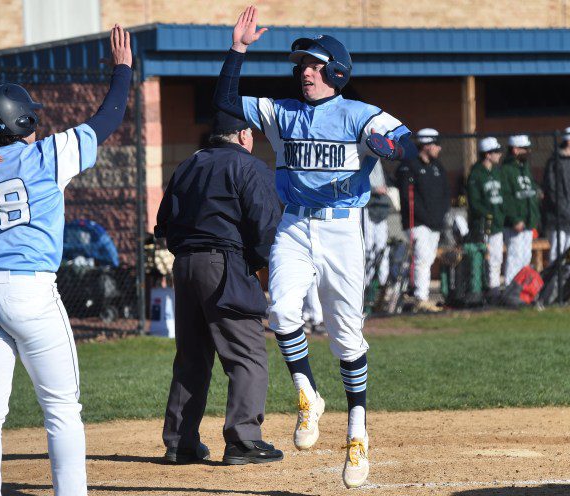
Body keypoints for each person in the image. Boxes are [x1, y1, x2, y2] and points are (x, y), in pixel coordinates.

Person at [213, 6, 416, 488]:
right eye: (300, 64)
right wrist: (238, 48)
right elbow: (225, 101)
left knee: (347, 338)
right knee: (281, 313)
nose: (304, 71)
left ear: (336, 71)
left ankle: (357, 431)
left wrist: (387, 147)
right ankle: (307, 393)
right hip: (294, 226)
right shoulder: (282, 112)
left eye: (314, 64)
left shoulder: (357, 113)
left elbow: (403, 137)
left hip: (343, 230)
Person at [0, 25, 132, 495]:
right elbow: (108, 118)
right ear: (21, 123)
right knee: (61, 408)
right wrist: (122, 70)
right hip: (30, 291)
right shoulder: (48, 155)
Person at [154, 110, 283, 466]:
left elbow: (163, 223)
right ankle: (243, 439)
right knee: (246, 353)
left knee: (192, 357)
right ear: (243, 135)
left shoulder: (188, 165)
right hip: (225, 264)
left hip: (185, 264)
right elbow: (265, 228)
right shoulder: (249, 167)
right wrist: (264, 273)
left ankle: (180, 442)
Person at [396, 128, 450, 313]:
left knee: (429, 258)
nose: (438, 148)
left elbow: (445, 194)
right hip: (417, 223)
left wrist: (440, 215)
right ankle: (420, 297)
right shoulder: (409, 165)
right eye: (435, 144)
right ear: (426, 145)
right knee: (421, 259)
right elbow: (408, 198)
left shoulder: (437, 167)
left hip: (435, 223)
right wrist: (426, 218)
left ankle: (419, 293)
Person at [466, 137, 505, 299]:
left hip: (497, 222)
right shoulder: (476, 174)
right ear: (487, 154)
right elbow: (474, 203)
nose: (499, 155)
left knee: (497, 257)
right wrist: (487, 214)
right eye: (496, 152)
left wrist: (500, 215)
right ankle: (483, 288)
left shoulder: (496, 172)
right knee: (485, 257)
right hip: (482, 224)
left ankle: (494, 288)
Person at [501, 135, 541, 285]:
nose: (528, 151)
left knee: (525, 258)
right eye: (525, 149)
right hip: (515, 223)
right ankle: (511, 289)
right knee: (515, 257)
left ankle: (522, 290)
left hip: (528, 222)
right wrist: (515, 219)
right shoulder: (506, 170)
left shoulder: (525, 169)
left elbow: (529, 191)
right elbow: (506, 198)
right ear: (516, 150)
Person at [542, 126, 570, 262]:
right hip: (558, 219)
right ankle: (555, 282)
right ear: (569, 142)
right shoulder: (554, 162)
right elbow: (552, 190)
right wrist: (565, 210)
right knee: (557, 256)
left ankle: (567, 283)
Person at [363, 158, 395, 290]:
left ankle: (382, 281)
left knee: (382, 246)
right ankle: (367, 280)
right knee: (368, 245)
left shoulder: (378, 160)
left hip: (380, 206)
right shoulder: (362, 156)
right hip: (366, 205)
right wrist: (374, 189)